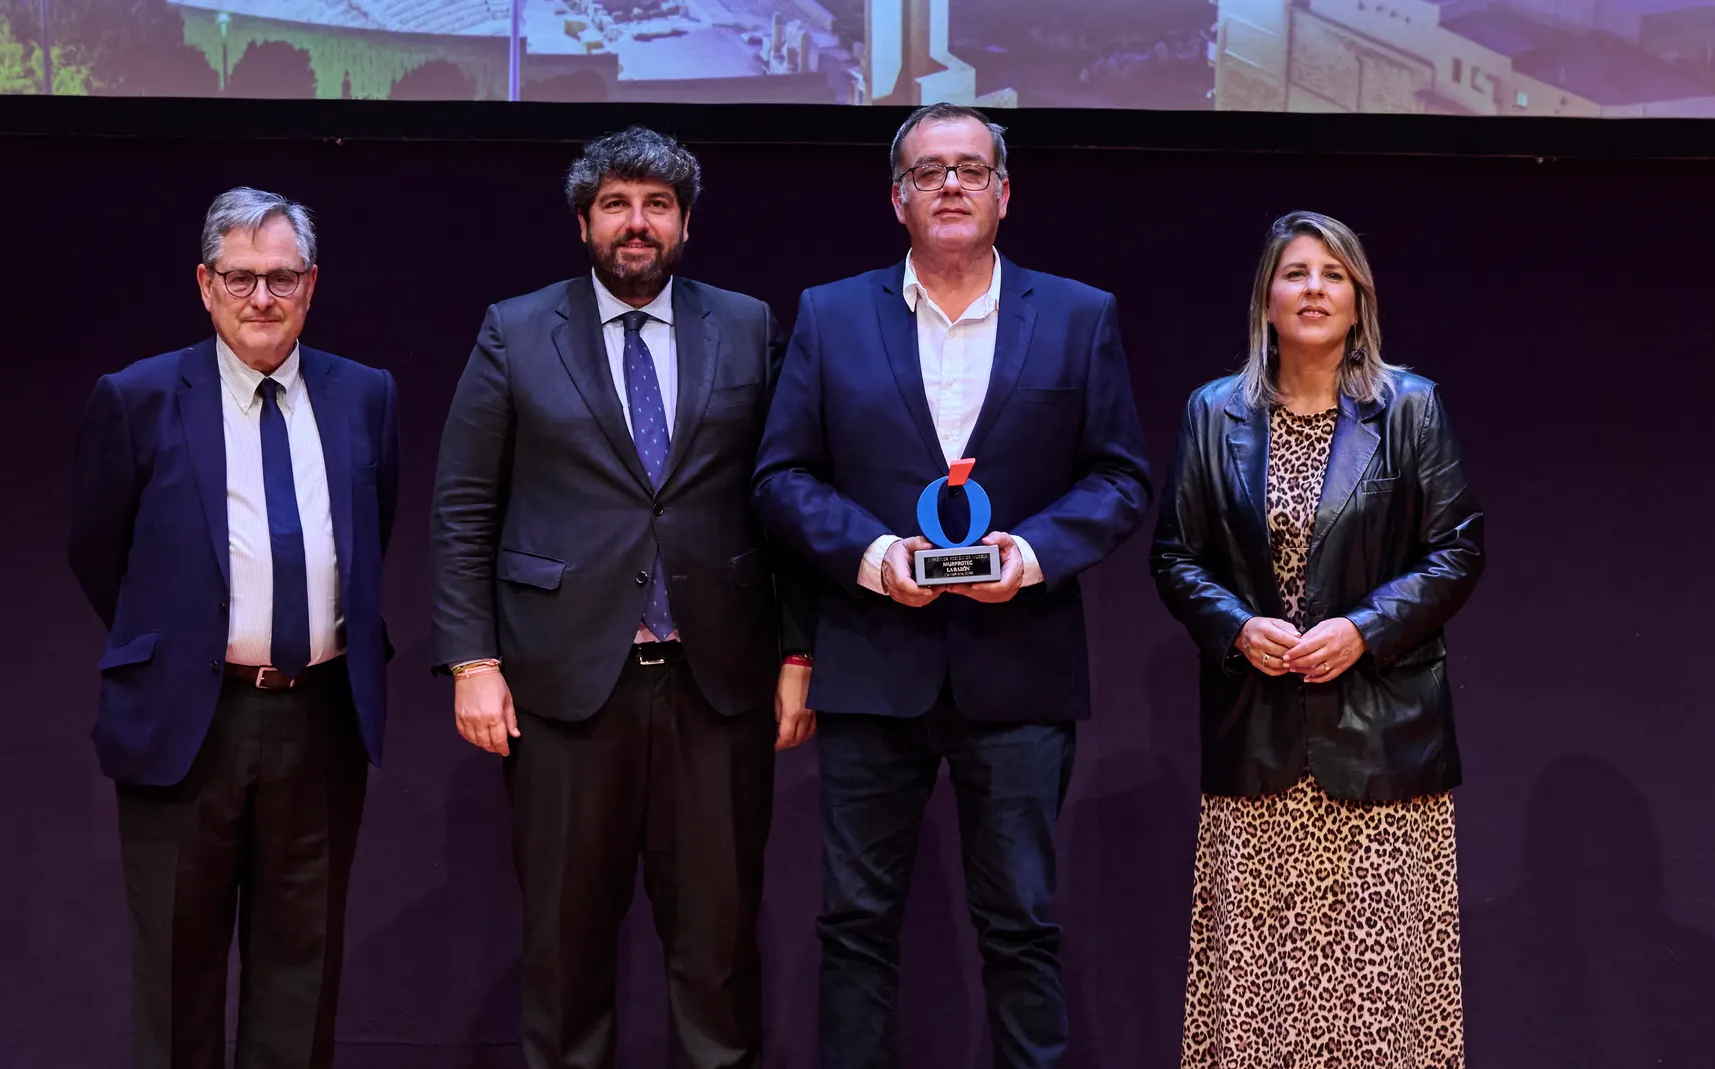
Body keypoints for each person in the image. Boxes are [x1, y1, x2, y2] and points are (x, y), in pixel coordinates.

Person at [752, 103, 1151, 1069]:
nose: (952, 187)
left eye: (972, 170)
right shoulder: (831, 313)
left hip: (1019, 668)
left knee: (1021, 925)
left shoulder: (1077, 314)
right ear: (899, 199)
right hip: (871, 664)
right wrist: (876, 556)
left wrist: (1035, 553)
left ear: (1005, 193)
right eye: (930, 173)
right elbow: (781, 477)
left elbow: (1120, 477)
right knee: (854, 927)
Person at [428, 126, 813, 1069]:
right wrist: (472, 659)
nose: (635, 224)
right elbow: (463, 506)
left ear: (685, 221)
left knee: (718, 957)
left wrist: (798, 654)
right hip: (562, 687)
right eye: (616, 204)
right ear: (583, 219)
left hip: (716, 683)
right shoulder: (516, 329)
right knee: (564, 951)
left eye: (656, 205)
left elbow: (791, 496)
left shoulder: (751, 325)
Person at [68, 187, 401, 1069]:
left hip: (321, 719)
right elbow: (98, 550)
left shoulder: (365, 395)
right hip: (188, 719)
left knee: (301, 977)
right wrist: (184, 643)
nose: (263, 298)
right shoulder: (138, 397)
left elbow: (374, 535)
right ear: (206, 285)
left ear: (312, 284)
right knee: (178, 979)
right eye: (242, 277)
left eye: (282, 277)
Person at [1149, 210, 1485, 1068]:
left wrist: (1363, 629)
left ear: (1359, 299)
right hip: (1257, 735)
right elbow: (1174, 555)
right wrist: (1235, 624)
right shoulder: (1211, 413)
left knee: (1380, 1001)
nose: (1314, 289)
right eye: (1296, 273)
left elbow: (1458, 550)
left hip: (1382, 746)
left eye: (1334, 275)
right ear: (1266, 298)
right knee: (1259, 997)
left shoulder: (1410, 407)